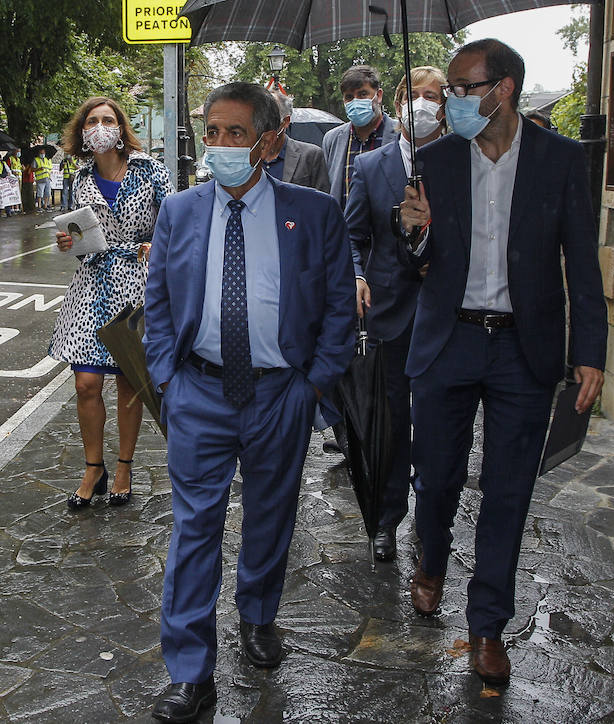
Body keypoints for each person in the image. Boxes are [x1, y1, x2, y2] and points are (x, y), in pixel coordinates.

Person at [396, 39, 607, 688]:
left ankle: (487, 625)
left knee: (508, 494)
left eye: (463, 88)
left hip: (525, 349)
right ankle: (430, 559)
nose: (452, 101)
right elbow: (413, 265)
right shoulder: (431, 161)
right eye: (450, 89)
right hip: (448, 342)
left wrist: (589, 351)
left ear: (504, 90)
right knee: (435, 479)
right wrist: (414, 231)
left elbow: (581, 258)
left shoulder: (563, 161)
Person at [144, 82, 355, 723]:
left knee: (270, 515)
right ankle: (189, 670)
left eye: (235, 134)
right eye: (212, 132)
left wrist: (312, 384)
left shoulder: (313, 214)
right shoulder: (179, 211)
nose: (221, 145)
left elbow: (340, 310)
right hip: (199, 393)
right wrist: (167, 378)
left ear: (267, 142)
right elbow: (157, 300)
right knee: (193, 530)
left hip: (279, 395)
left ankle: (259, 614)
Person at [341, 65, 446, 562]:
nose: (423, 104)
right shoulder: (370, 166)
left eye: (434, 96)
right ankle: (386, 518)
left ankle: (433, 515)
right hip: (388, 312)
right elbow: (352, 236)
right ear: (398, 102)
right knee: (389, 423)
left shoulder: (461, 160)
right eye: (415, 95)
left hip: (447, 314)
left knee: (439, 425)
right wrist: (357, 275)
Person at [49, 96, 172, 511]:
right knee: (86, 383)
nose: (100, 127)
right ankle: (93, 467)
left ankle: (123, 466)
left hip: (138, 286)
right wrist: (69, 242)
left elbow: (175, 222)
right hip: (93, 286)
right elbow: (81, 238)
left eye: (108, 119)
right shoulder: (79, 177)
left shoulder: (151, 170)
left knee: (129, 384)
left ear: (121, 127)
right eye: (92, 121)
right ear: (82, 133)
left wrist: (158, 244)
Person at [321, 64, 399, 208]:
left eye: (363, 94)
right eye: (349, 97)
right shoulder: (332, 139)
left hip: (386, 226)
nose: (355, 101)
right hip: (345, 227)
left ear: (379, 95)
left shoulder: (400, 135)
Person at [263, 93, 329, 192]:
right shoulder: (246, 157)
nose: (263, 123)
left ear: (286, 121)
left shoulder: (311, 155)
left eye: (270, 117)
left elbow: (323, 202)